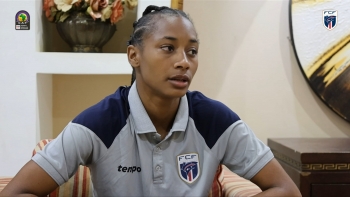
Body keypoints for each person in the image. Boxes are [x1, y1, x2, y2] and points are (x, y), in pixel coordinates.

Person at [0, 5, 301, 197]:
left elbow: (286, 190)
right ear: (134, 56)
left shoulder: (216, 121)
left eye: (192, 51)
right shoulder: (99, 124)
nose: (184, 62)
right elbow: (17, 192)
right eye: (168, 48)